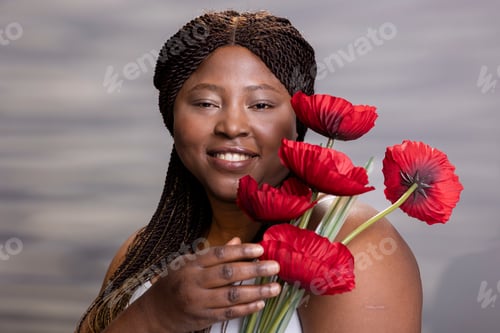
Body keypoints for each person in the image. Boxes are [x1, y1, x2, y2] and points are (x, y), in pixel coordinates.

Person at [76, 10, 422, 333]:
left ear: (298, 119)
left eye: (261, 105)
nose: (232, 126)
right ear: (171, 116)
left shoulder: (349, 245)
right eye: (206, 104)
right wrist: (153, 315)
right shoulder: (143, 252)